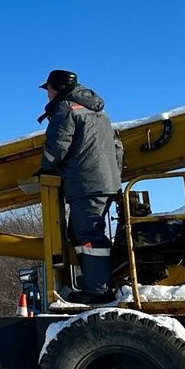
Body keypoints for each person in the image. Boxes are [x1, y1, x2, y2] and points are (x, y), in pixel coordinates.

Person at [37, 70, 123, 303]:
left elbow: (57, 144)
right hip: (105, 182)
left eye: (49, 90)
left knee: (88, 236)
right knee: (80, 233)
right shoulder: (99, 113)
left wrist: (46, 170)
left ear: (59, 88)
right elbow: (118, 148)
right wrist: (114, 178)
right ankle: (95, 283)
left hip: (86, 183)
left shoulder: (66, 108)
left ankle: (97, 290)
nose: (48, 95)